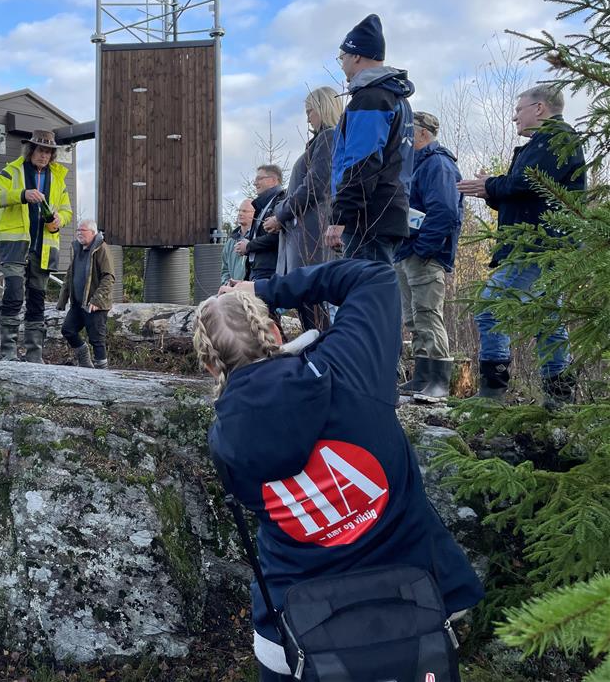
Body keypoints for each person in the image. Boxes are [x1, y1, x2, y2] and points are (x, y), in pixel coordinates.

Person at [195, 259, 483, 681]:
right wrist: (265, 288)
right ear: (275, 333)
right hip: (414, 602)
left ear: (210, 367)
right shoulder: (349, 366)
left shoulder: (224, 441)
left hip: (298, 631)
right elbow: (375, 277)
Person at [457, 85, 586, 407]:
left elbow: (529, 183)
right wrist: (492, 192)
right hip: (540, 243)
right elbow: (525, 196)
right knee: (548, 319)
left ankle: (493, 390)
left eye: (519, 109)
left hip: (540, 246)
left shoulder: (557, 139)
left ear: (539, 109)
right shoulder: (541, 144)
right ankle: (559, 399)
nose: (515, 116)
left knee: (491, 305)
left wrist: (490, 185)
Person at [326, 14, 414, 263]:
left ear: (356, 56)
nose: (342, 65)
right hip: (388, 213)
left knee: (365, 296)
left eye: (342, 58)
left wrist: (340, 217)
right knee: (378, 293)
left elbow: (362, 163)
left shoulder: (371, 99)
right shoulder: (396, 98)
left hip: (367, 219)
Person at [0, 129, 73, 363]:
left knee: (37, 298)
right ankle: (9, 353)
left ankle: (35, 355)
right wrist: (22, 194)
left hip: (44, 246)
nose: (44, 156)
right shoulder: (12, 171)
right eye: (41, 150)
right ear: (31, 150)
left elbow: (67, 211)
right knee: (13, 293)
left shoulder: (57, 178)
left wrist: (58, 220)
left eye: (49, 152)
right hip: (14, 244)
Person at [394, 112, 463, 400]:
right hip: (406, 251)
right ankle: (421, 376)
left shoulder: (438, 164)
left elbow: (445, 211)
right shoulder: (412, 166)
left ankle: (439, 380)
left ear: (423, 133)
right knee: (412, 317)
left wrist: (425, 249)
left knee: (428, 314)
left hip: (425, 254)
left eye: (409, 133)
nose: (404, 140)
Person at [267, 86, 342, 331]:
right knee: (307, 304)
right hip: (307, 235)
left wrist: (281, 214)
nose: (308, 117)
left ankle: (324, 358)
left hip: (313, 236)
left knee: (314, 303)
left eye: (311, 111)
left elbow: (315, 186)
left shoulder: (329, 137)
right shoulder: (320, 140)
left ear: (324, 109)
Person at [57, 220, 115, 369]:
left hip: (95, 304)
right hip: (77, 303)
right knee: (68, 330)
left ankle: (103, 374)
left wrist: (97, 299)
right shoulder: (76, 249)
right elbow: (70, 275)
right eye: (78, 230)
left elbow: (109, 277)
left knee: (97, 339)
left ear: (93, 232)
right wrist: (62, 300)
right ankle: (84, 360)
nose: (79, 233)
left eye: (83, 230)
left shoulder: (101, 249)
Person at [235, 165, 284, 282]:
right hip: (257, 272)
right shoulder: (262, 206)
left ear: (273, 180)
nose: (255, 183)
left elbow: (276, 238)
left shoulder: (280, 202)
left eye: (259, 179)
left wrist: (249, 246)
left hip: (270, 273)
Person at [221, 199, 253, 285]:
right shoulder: (230, 242)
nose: (240, 213)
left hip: (250, 292)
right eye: (239, 210)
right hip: (232, 293)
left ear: (254, 214)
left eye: (245, 211)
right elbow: (225, 270)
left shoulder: (256, 240)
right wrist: (227, 284)